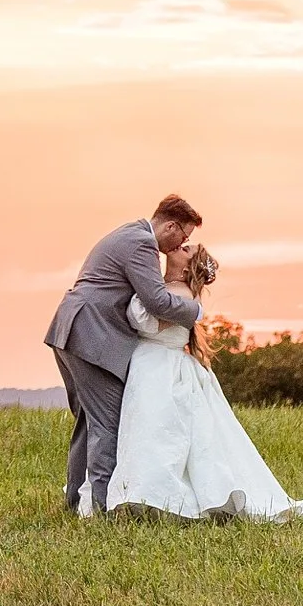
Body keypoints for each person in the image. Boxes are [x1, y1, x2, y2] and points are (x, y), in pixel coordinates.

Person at [103, 242, 303, 521]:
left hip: (161, 368)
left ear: (187, 266)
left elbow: (144, 322)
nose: (180, 246)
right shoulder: (161, 287)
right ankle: (137, 495)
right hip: (148, 363)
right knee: (143, 432)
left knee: (158, 433)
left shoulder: (180, 294)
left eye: (187, 249)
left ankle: (158, 498)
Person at [43, 195, 208, 516]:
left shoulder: (127, 233)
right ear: (171, 225)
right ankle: (104, 508)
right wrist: (198, 311)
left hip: (71, 330)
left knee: (88, 422)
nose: (183, 243)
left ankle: (77, 502)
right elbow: (158, 301)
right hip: (90, 336)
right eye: (184, 236)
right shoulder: (142, 242)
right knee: (107, 423)